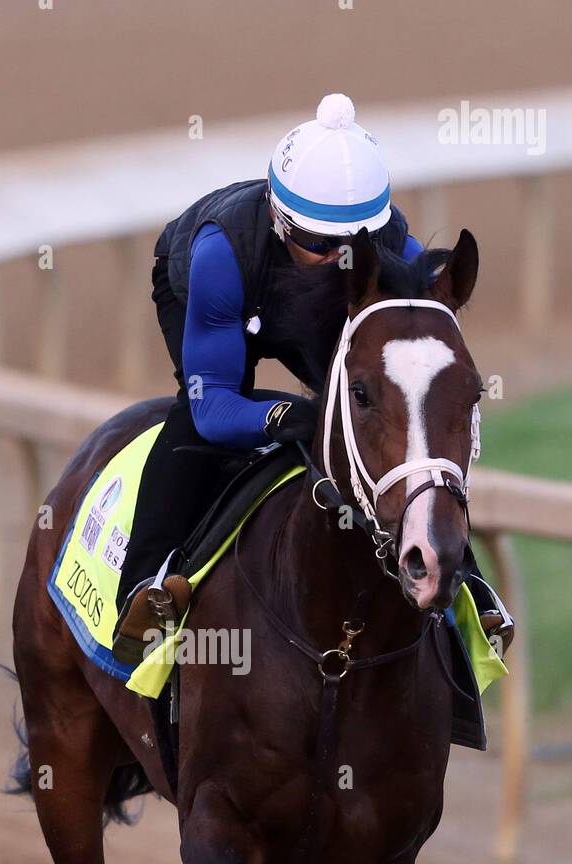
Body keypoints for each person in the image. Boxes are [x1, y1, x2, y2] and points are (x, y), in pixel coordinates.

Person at [113, 93, 513, 651]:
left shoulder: (396, 252)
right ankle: (145, 585)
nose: (337, 262)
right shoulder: (221, 255)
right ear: (282, 222)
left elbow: (419, 394)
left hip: (326, 306)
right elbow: (215, 407)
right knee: (197, 424)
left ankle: (461, 583)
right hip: (228, 300)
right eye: (320, 244)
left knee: (386, 419)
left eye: (353, 246)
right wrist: (288, 416)